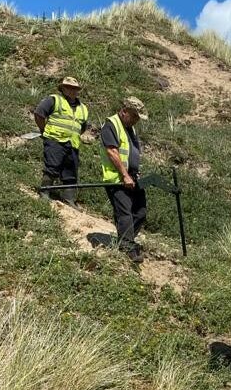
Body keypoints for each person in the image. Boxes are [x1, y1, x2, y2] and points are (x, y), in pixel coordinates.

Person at [99, 97, 148, 262]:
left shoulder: (130, 128)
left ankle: (124, 240)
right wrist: (125, 175)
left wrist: (134, 173)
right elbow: (112, 152)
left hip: (133, 177)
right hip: (117, 179)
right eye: (134, 116)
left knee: (141, 212)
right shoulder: (111, 125)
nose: (135, 121)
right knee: (125, 213)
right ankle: (128, 248)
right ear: (124, 111)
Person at [34, 77, 88, 207]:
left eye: (74, 88)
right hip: (55, 139)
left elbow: (83, 126)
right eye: (68, 87)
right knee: (52, 167)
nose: (72, 90)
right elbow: (39, 114)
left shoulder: (83, 108)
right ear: (63, 88)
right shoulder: (54, 100)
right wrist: (44, 130)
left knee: (71, 172)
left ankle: (69, 199)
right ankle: (45, 193)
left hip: (72, 143)